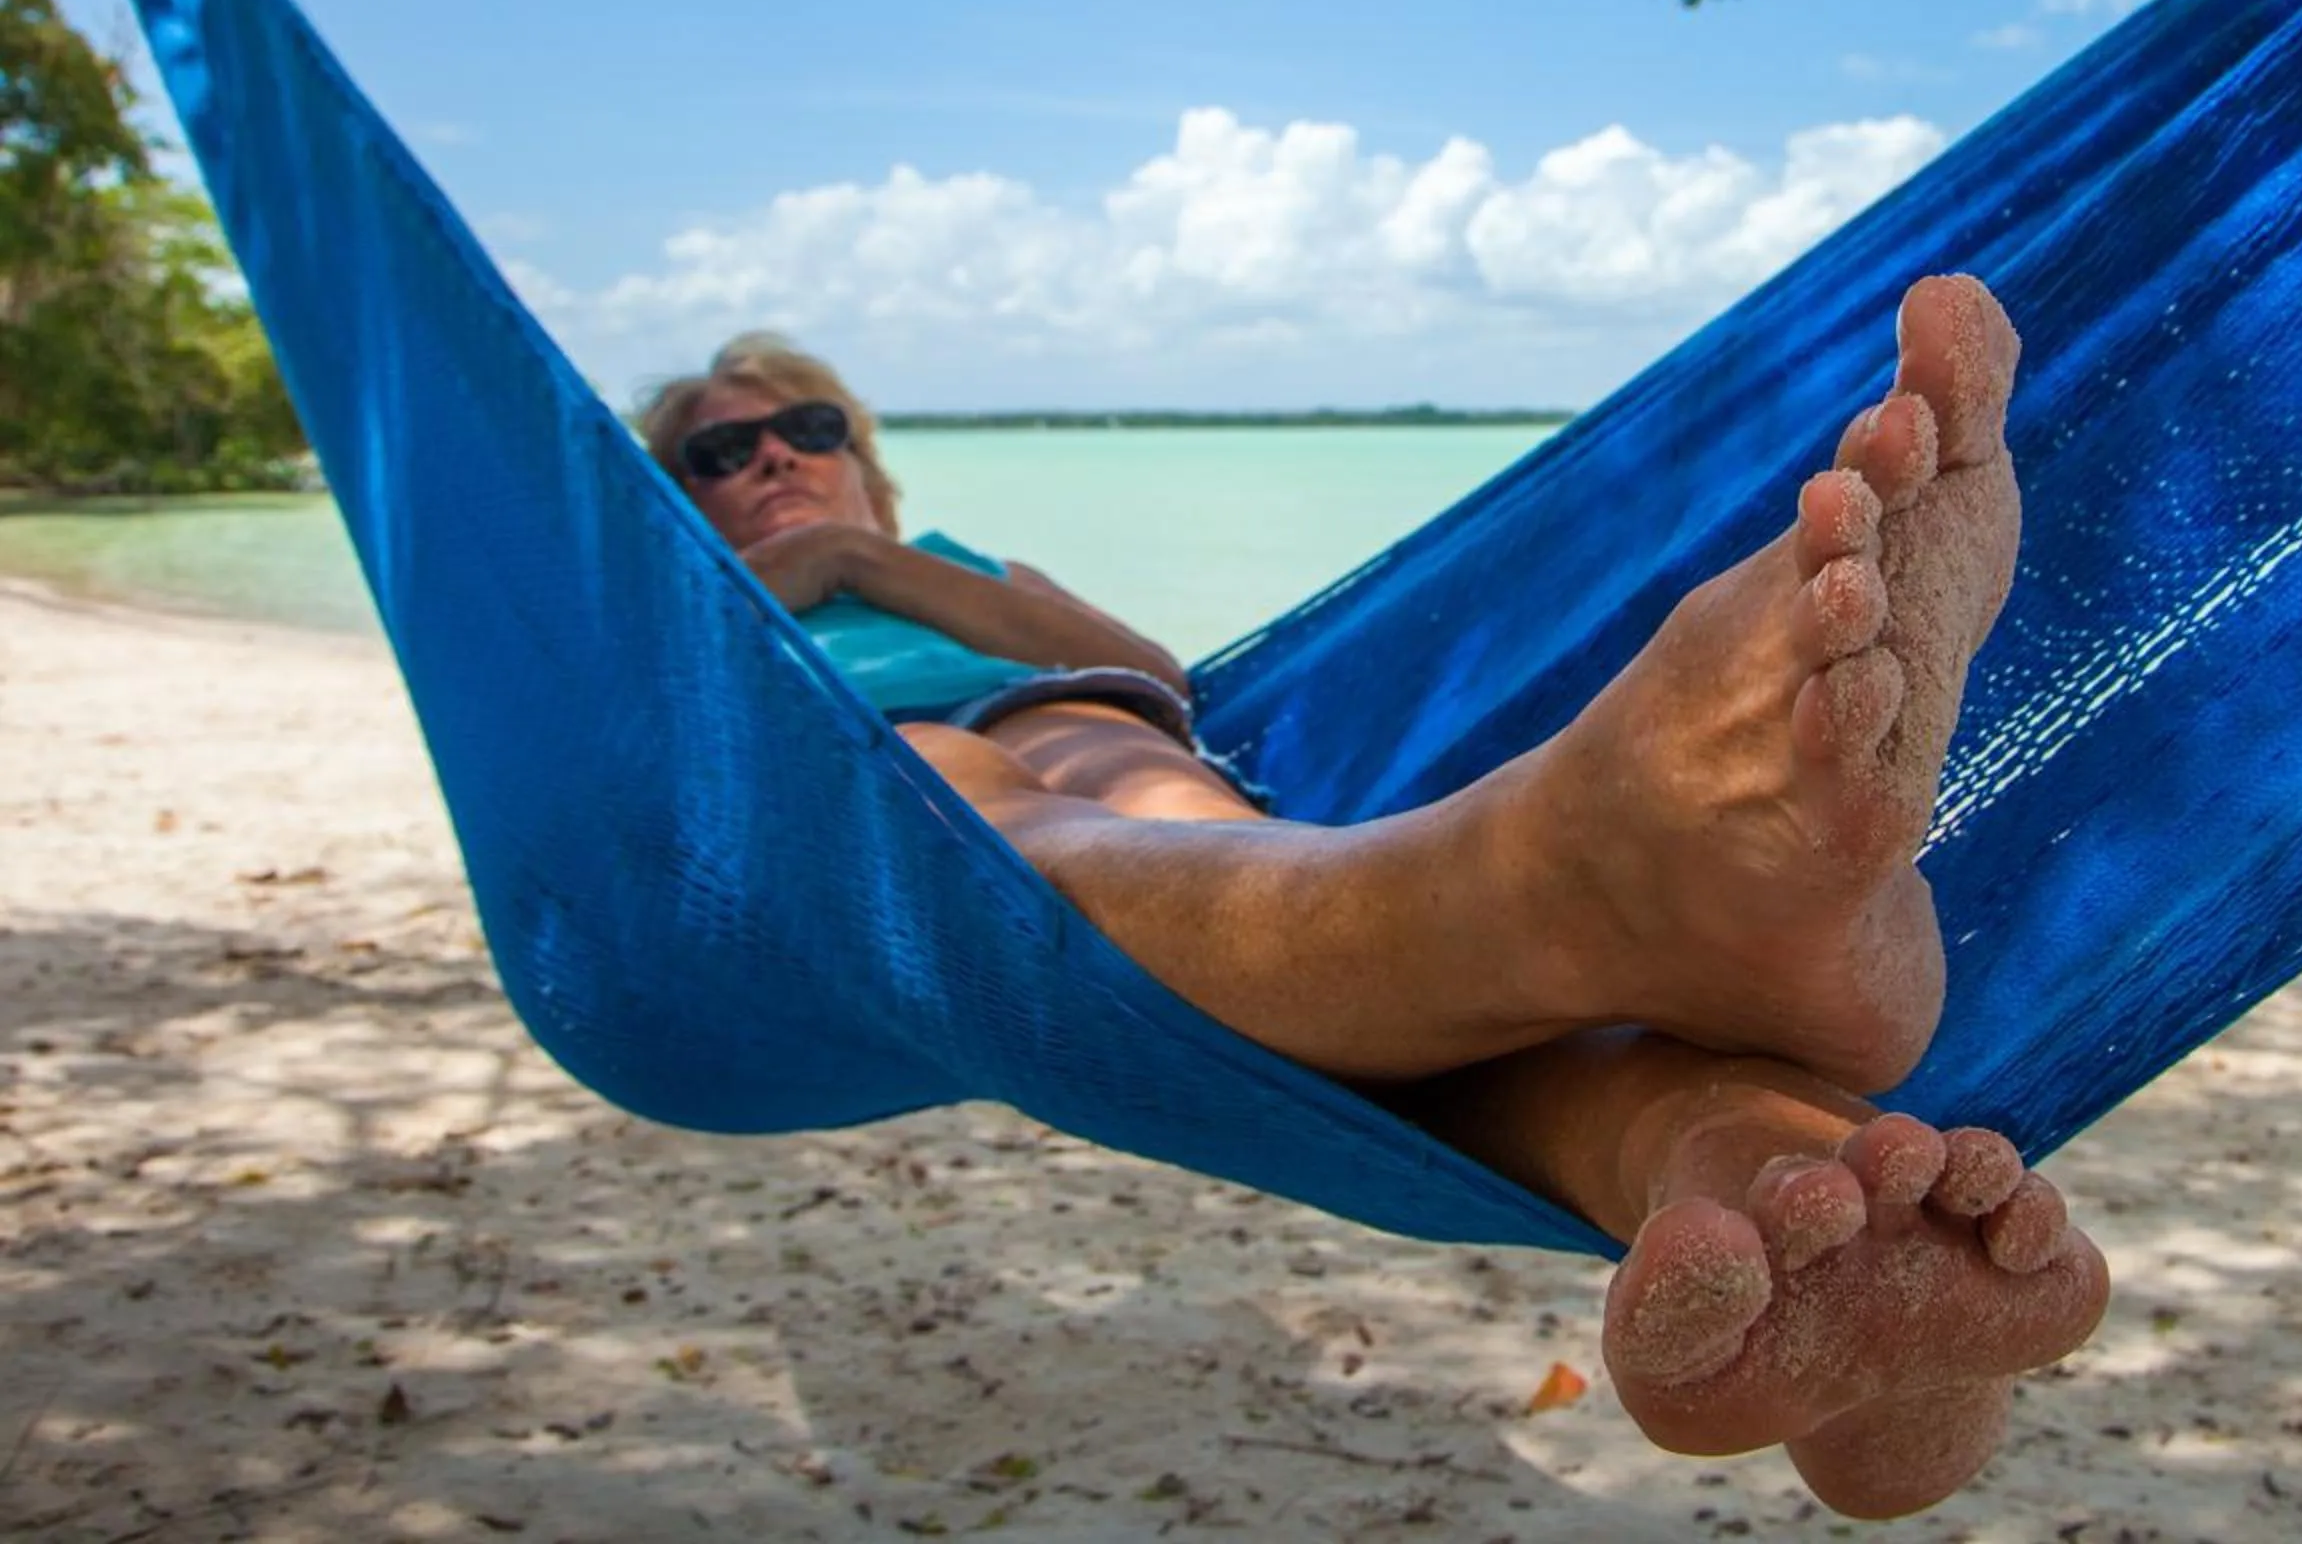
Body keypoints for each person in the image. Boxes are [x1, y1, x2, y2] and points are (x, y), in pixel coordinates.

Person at [634, 275, 2107, 1519]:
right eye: (718, 454)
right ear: (670, 507)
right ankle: (1578, 895)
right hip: (873, 805)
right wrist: (763, 587)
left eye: (807, 431)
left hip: (1104, 746)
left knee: (1157, 814)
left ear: (864, 460)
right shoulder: (681, 617)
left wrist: (866, 562)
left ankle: (1757, 1182)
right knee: (987, 812)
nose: (771, 461)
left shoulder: (947, 569)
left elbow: (1150, 670)